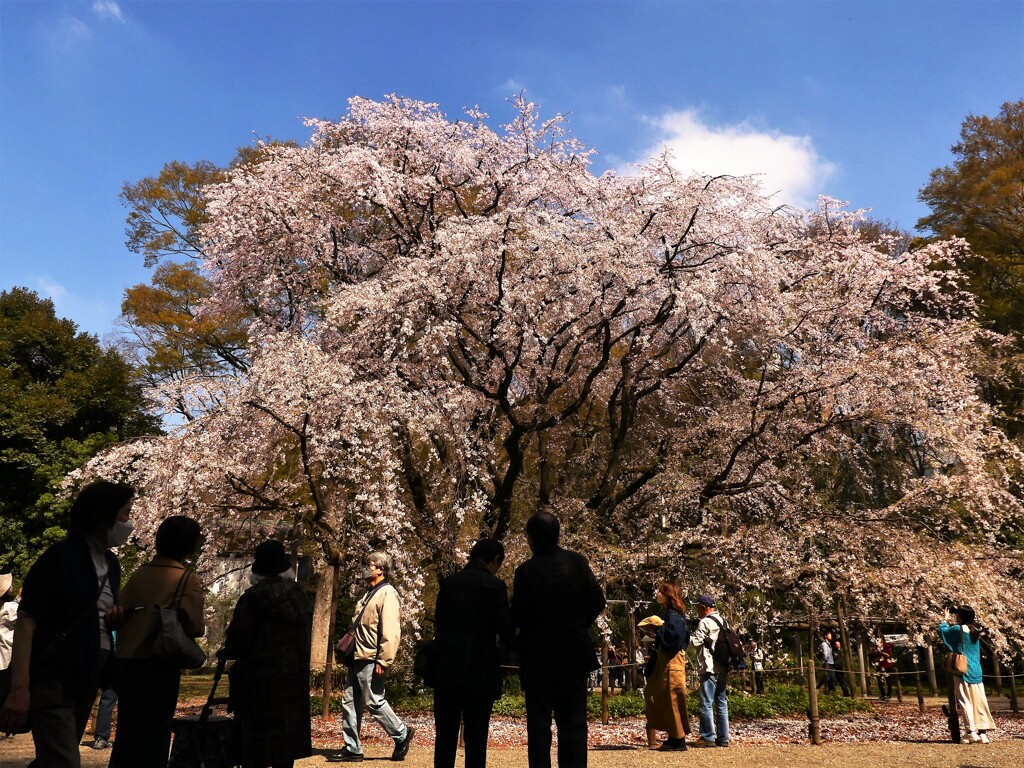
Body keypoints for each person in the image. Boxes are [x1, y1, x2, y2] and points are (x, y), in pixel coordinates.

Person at [0, 480, 133, 766]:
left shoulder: (111, 563)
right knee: (64, 760)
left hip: (91, 671)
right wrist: (19, 686)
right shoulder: (60, 557)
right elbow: (27, 620)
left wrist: (115, 619)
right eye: (125, 513)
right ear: (102, 515)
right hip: (56, 672)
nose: (129, 522)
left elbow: (98, 615)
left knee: (55, 757)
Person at [511, 511, 606, 768]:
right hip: (574, 652)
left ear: (532, 539)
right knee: (574, 723)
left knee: (539, 726)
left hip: (538, 655)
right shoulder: (577, 562)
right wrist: (578, 624)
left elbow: (517, 614)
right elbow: (598, 600)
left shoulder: (527, 571)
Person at [109, 515, 205, 768]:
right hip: (160, 664)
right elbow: (196, 627)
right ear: (190, 546)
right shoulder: (186, 579)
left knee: (128, 735)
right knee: (156, 734)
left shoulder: (140, 574)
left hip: (128, 664)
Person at [220, 539, 313, 768]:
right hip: (292, 676)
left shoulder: (253, 598)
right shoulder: (299, 597)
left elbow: (238, 640)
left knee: (257, 742)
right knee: (285, 742)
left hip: (259, 680)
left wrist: (226, 652)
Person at [430, 538, 514, 768]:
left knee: (445, 736)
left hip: (446, 668)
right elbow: (505, 631)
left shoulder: (449, 584)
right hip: (481, 669)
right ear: (496, 559)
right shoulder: (495, 587)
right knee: (477, 738)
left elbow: (440, 622)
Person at [328, 552, 415, 763]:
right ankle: (352, 747)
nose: (365, 568)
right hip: (357, 655)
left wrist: (383, 660)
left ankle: (401, 733)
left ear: (381, 569)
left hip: (371, 657)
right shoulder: (368, 593)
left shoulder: (387, 593)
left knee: (373, 700)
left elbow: (391, 631)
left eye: (370, 565)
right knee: (349, 701)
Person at [642, 581, 691, 751]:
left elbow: (674, 639)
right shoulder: (674, 615)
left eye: (660, 591)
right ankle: (674, 736)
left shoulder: (673, 616)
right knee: (663, 697)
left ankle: (678, 739)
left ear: (668, 595)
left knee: (672, 698)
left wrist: (657, 631)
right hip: (669, 663)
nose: (657, 594)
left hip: (672, 663)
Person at [940, 605, 995, 744]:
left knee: (965, 701)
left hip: (962, 670)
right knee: (979, 702)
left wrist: (945, 619)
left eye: (957, 614)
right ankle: (982, 733)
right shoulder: (975, 630)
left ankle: (971, 732)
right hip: (977, 670)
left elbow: (942, 632)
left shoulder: (956, 629)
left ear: (961, 616)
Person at [689, 594, 730, 748]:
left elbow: (695, 641)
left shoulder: (705, 622)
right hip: (723, 666)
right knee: (721, 702)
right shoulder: (723, 621)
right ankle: (723, 738)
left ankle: (708, 737)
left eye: (697, 607)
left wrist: (684, 636)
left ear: (703, 607)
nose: (696, 610)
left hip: (709, 666)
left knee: (706, 702)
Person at [816, 629, 837, 694]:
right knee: (829, 678)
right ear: (825, 636)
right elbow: (825, 653)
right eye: (829, 634)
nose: (830, 636)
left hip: (831, 662)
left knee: (830, 678)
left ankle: (829, 691)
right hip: (827, 662)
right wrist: (825, 661)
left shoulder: (829, 644)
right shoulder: (824, 644)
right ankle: (829, 691)